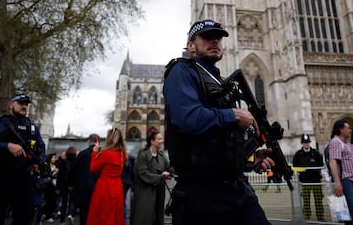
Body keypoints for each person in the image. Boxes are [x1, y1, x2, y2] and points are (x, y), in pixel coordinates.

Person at [163, 19, 275, 225]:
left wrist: (250, 158)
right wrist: (234, 115)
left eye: (218, 38)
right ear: (191, 46)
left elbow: (223, 139)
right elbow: (187, 119)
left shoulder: (221, 82)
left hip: (238, 188)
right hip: (202, 195)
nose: (214, 41)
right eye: (207, 37)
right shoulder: (182, 72)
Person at [0, 93, 46, 225]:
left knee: (26, 216)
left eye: (26, 104)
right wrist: (6, 146)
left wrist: (39, 161)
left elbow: (41, 147)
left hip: (25, 178)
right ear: (11, 104)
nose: (24, 106)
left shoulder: (32, 128)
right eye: (21, 103)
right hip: (1, 177)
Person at [130, 130, 171, 225]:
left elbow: (168, 167)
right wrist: (160, 176)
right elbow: (143, 173)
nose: (162, 141)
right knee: (145, 217)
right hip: (145, 192)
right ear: (152, 141)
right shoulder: (143, 154)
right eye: (159, 139)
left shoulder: (161, 154)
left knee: (157, 216)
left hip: (159, 191)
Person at [86, 128, 126, 225]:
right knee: (115, 213)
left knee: (100, 214)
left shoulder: (106, 153)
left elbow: (93, 168)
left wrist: (95, 152)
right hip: (117, 186)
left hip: (104, 187)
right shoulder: (122, 154)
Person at [329, 120, 353, 225]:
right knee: (351, 213)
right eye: (348, 128)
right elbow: (333, 162)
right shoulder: (336, 142)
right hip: (346, 180)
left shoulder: (347, 143)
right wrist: (338, 183)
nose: (350, 130)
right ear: (341, 129)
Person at [293, 133, 324, 221]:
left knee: (318, 200)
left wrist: (312, 170)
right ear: (302, 143)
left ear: (309, 143)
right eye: (304, 142)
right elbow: (295, 166)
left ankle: (320, 217)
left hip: (316, 180)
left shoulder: (316, 153)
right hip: (305, 181)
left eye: (307, 142)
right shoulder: (298, 154)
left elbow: (320, 164)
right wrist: (304, 170)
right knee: (306, 201)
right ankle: (307, 217)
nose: (306, 144)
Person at [72, 134, 100, 225]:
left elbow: (75, 170)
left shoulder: (82, 154)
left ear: (89, 141)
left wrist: (72, 184)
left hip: (83, 188)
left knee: (84, 213)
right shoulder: (101, 154)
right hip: (97, 187)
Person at [56, 146, 77, 225]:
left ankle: (62, 221)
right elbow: (77, 175)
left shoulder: (63, 162)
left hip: (64, 185)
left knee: (64, 202)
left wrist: (58, 187)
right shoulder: (77, 162)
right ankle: (70, 215)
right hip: (73, 185)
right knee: (72, 201)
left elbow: (59, 176)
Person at [43, 153, 59, 223]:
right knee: (48, 201)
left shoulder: (55, 165)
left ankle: (47, 214)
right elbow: (47, 175)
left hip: (54, 185)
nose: (54, 159)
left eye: (55, 158)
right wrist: (53, 171)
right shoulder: (46, 165)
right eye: (53, 158)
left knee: (52, 201)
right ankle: (47, 216)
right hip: (48, 186)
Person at [122, 154, 135, 220]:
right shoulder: (130, 157)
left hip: (121, 182)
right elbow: (133, 173)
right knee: (123, 202)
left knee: (122, 202)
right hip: (127, 181)